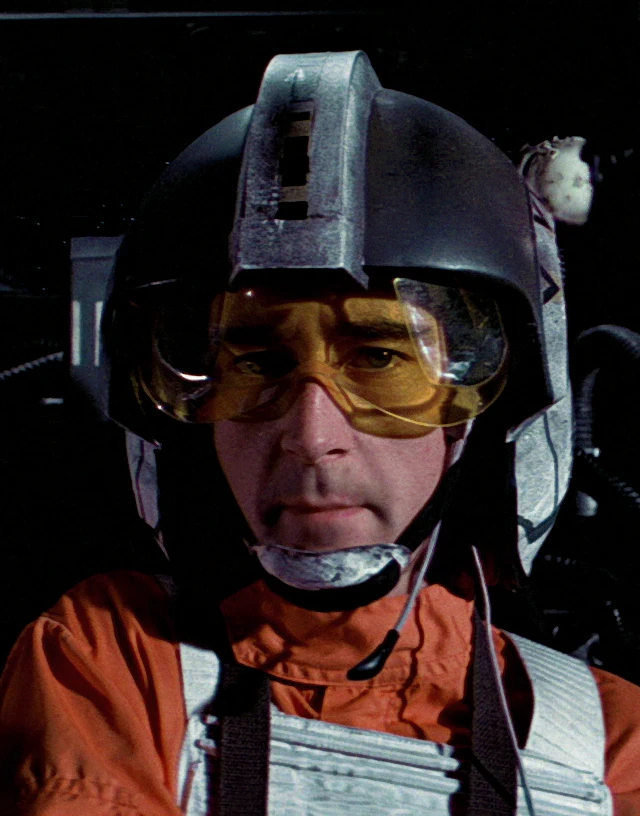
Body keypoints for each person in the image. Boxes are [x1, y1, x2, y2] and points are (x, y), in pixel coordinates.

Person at [1, 50, 639, 816]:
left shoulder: (609, 741)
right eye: (256, 362)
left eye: (379, 357)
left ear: (477, 415)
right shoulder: (111, 656)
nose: (310, 437)